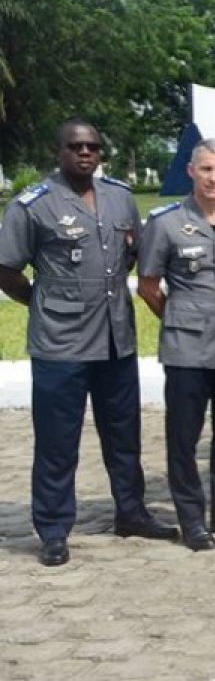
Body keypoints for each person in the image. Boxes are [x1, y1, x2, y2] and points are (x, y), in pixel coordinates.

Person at [0, 120, 178, 566]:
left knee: (124, 437)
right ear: (57, 150)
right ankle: (54, 529)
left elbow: (135, 255)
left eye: (93, 147)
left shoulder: (119, 197)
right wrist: (43, 303)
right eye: (75, 146)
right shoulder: (32, 206)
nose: (85, 153)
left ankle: (131, 513)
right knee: (58, 442)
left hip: (116, 340)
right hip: (61, 345)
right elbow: (7, 271)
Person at [138, 139, 215, 551]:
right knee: (184, 438)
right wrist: (181, 319)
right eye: (206, 169)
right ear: (191, 171)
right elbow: (148, 286)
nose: (213, 178)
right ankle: (192, 519)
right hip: (187, 348)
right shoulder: (166, 222)